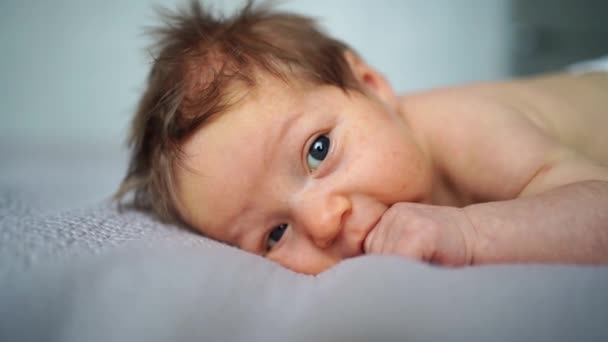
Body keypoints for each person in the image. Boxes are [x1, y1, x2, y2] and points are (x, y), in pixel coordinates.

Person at [115, 1, 608, 275]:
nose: (323, 222)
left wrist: (472, 235)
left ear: (372, 88)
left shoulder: (468, 130)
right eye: (274, 235)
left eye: (318, 151)